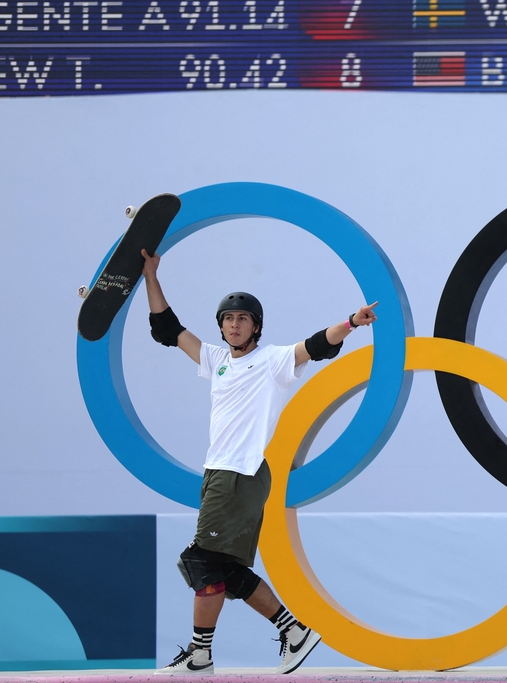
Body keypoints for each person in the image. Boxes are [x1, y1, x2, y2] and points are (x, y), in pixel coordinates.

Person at [140, 248, 378, 674]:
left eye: (242, 319)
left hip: (241, 472)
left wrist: (351, 323)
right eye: (228, 319)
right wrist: (150, 276)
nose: (234, 325)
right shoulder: (215, 360)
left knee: (201, 561)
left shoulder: (270, 361)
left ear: (256, 327)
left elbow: (316, 345)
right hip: (220, 473)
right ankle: (292, 632)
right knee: (222, 570)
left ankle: (201, 654)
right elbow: (167, 328)